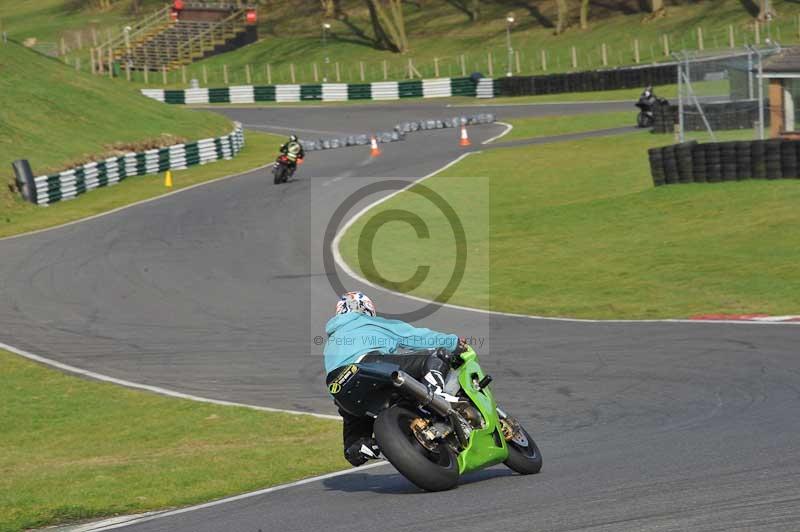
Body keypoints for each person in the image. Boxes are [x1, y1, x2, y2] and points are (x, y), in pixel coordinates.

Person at [323, 291, 467, 467]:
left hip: (341, 391)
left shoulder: (331, 342)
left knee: (353, 449)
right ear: (367, 309)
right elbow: (414, 337)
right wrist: (453, 342)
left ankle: (370, 447)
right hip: (367, 366)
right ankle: (437, 395)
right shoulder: (368, 321)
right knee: (436, 356)